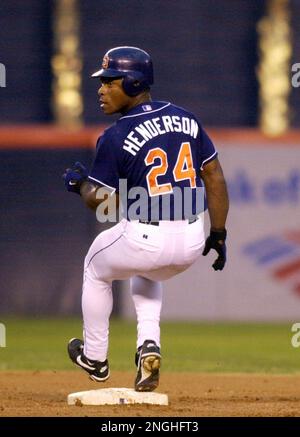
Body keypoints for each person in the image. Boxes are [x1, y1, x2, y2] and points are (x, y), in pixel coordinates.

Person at [63, 46, 229, 392]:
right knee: (148, 272)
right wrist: (219, 232)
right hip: (191, 240)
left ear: (135, 82)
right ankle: (148, 347)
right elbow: (214, 176)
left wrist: (80, 186)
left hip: (146, 238)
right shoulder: (187, 119)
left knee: (95, 266)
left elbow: (99, 202)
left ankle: (95, 357)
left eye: (110, 81)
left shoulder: (116, 134)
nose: (101, 88)